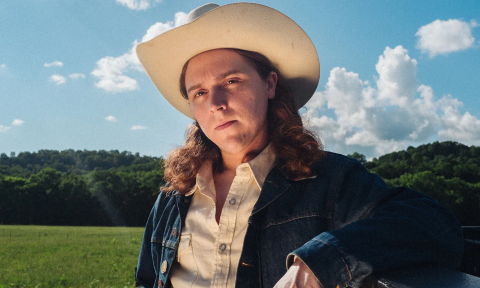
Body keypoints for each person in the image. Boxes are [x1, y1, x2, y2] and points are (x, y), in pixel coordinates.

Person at [135, 3, 464, 288]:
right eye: (200, 92)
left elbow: (435, 224)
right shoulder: (173, 196)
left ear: (270, 84)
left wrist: (319, 262)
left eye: (231, 81)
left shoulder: (330, 181)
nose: (216, 103)